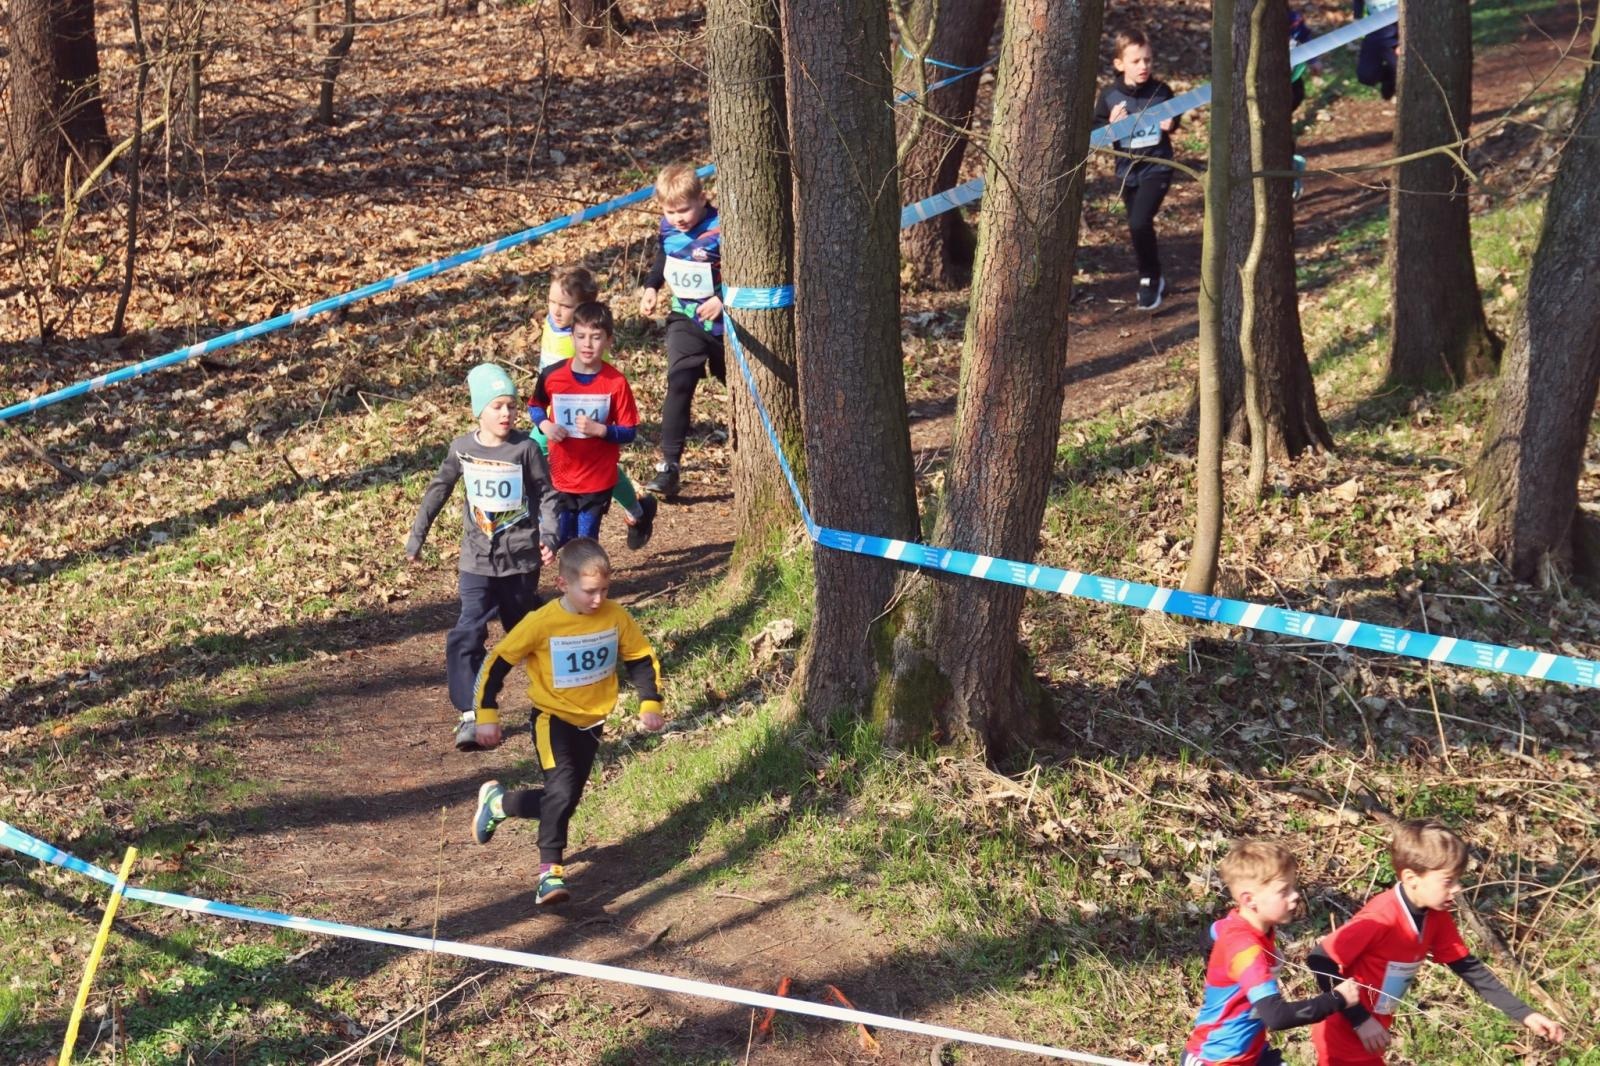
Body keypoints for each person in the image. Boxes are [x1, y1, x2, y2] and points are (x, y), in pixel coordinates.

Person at [469, 537, 665, 905]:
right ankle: (550, 875)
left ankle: (499, 804)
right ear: (563, 584)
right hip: (552, 718)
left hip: (592, 723)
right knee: (560, 793)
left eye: (605, 590)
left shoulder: (615, 616)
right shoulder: (542, 622)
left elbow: (640, 656)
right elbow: (497, 661)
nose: (598, 599)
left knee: (564, 800)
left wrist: (650, 702)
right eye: (589, 591)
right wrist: (486, 714)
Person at [1308, 819, 1567, 1064]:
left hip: (1372, 1034)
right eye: (1448, 881)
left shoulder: (1435, 916)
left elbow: (1469, 968)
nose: (1457, 888)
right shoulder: (1382, 916)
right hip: (1342, 1032)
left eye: (1458, 880)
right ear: (1411, 878)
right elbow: (1320, 959)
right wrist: (1360, 1020)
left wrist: (1525, 1014)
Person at [405, 362, 551, 752]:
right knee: (468, 631)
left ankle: (554, 697)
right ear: (478, 411)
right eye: (497, 406)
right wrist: (417, 537)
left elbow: (547, 495)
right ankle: (472, 713)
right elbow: (438, 490)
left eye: (511, 406)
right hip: (476, 561)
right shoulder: (462, 449)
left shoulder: (526, 449)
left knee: (524, 631)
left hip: (520, 562)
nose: (506, 413)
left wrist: (550, 536)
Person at [1183, 840, 1361, 1066]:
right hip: (1214, 1061)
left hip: (1253, 1055)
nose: (1295, 896)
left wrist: (1224, 977)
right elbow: (1277, 1016)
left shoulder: (1240, 924)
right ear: (1249, 900)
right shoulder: (1246, 951)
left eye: (1293, 887)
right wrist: (1337, 999)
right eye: (1283, 891)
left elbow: (1208, 937)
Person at [535, 265, 656, 550]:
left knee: (590, 466)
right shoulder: (552, 324)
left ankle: (634, 510)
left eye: (566, 306)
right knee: (539, 452)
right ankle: (636, 509)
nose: (556, 310)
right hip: (554, 414)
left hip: (586, 416)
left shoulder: (584, 342)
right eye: (552, 301)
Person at [637, 162, 726, 498]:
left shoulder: (721, 227)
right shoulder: (668, 228)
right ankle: (669, 467)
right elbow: (665, 256)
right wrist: (651, 287)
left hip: (725, 325)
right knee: (680, 381)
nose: (678, 219)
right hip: (686, 318)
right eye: (670, 212)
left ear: (702, 199)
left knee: (734, 382)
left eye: (684, 210)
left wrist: (722, 300)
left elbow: (745, 270)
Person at [1094, 28, 1179, 312]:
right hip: (1127, 172)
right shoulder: (1109, 96)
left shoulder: (1162, 91)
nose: (1144, 66)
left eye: (1148, 60)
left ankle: (1149, 278)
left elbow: (1175, 117)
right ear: (1119, 64)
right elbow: (1096, 134)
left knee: (1139, 222)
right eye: (1136, 61)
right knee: (1137, 225)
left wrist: (1171, 124)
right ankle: (1151, 274)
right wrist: (1111, 125)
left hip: (1158, 165)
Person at [1353, 0, 1399, 102]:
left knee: (1400, 70)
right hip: (1375, 32)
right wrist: (1357, 18)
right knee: (1365, 75)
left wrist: (1404, 42)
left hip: (1396, 35)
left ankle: (1393, 84)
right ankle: (1391, 78)